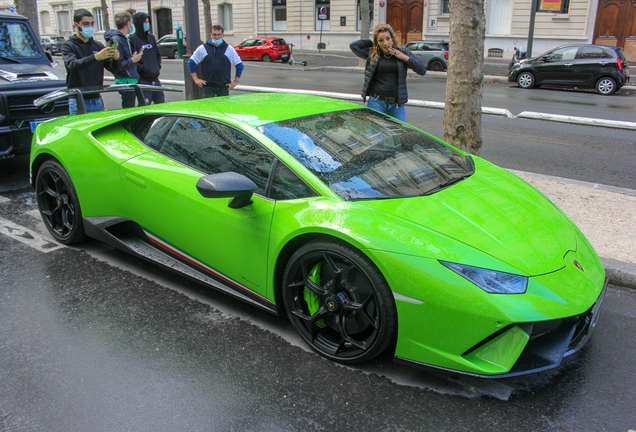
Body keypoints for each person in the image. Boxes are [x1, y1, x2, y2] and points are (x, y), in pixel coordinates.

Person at [350, 23, 426, 122]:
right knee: (377, 135)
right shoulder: (373, 55)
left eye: (388, 38)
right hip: (377, 102)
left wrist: (403, 57)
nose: (386, 43)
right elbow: (354, 46)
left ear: (392, 38)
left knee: (399, 135)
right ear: (377, 42)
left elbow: (422, 70)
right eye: (381, 40)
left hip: (396, 105)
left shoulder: (403, 51)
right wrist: (372, 42)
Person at [61, 9, 121, 114]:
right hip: (78, 99)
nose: (90, 27)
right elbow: (72, 65)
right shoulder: (69, 45)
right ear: (76, 25)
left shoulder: (97, 45)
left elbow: (113, 69)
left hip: (96, 98)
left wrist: (116, 59)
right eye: (85, 24)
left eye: (92, 24)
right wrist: (96, 57)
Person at [188, 25, 244, 98]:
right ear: (210, 35)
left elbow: (239, 65)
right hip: (208, 86)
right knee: (209, 108)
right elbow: (191, 62)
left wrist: (235, 81)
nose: (217, 37)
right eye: (214, 34)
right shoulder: (203, 48)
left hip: (224, 86)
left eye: (219, 34)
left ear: (223, 35)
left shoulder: (229, 49)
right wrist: (196, 79)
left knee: (222, 108)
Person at [104, 12, 142, 108]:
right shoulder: (117, 40)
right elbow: (116, 65)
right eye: (131, 23)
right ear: (128, 23)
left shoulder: (123, 39)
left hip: (129, 80)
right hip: (125, 81)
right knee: (128, 108)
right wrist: (132, 60)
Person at [129, 12, 164, 105]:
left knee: (161, 104)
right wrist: (143, 68)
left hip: (155, 78)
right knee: (144, 105)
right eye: (145, 22)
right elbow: (131, 58)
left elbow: (157, 54)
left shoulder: (151, 38)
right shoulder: (133, 39)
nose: (147, 23)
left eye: (148, 21)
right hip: (143, 79)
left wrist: (157, 67)